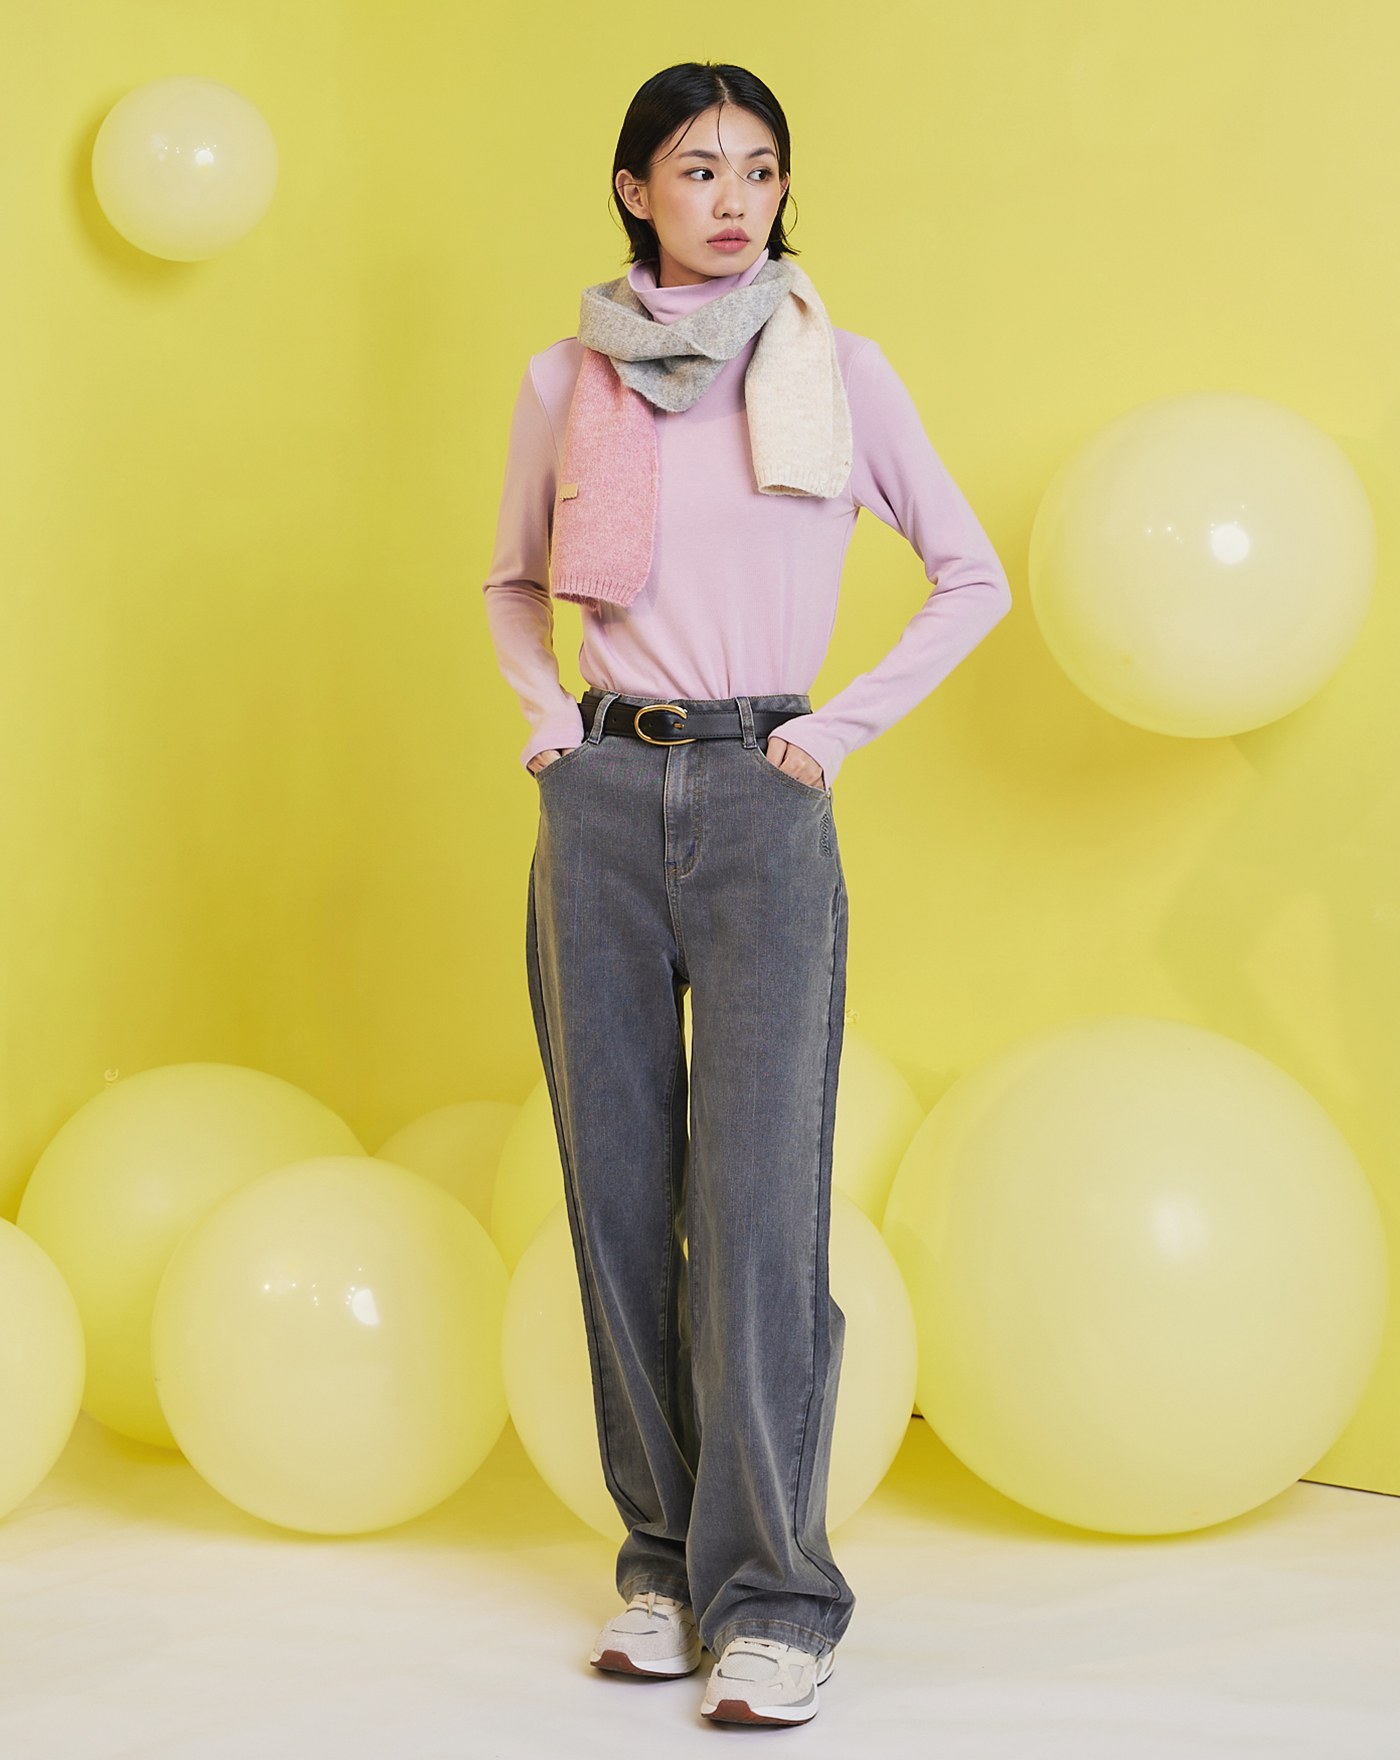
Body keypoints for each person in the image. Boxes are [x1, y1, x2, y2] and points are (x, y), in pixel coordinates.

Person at [481, 62, 1012, 1728]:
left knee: (764, 1206)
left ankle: (778, 1597)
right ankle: (661, 1565)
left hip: (762, 796)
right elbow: (511, 580)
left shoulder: (836, 370)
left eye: (761, 169)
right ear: (633, 187)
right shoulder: (568, 377)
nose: (734, 198)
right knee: (617, 1191)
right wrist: (548, 724)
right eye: (700, 168)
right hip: (602, 796)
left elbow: (971, 574)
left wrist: (830, 732)